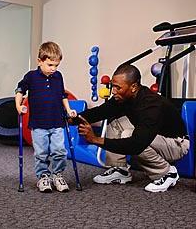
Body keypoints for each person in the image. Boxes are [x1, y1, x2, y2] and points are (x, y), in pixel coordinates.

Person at [75, 63, 190, 192]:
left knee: (129, 135)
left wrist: (94, 139)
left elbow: (136, 144)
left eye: (118, 87)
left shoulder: (151, 105)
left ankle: (166, 173)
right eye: (113, 86)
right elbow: (100, 112)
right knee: (115, 123)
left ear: (133, 87)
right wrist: (71, 118)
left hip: (176, 144)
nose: (113, 91)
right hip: (156, 136)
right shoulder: (123, 97)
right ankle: (120, 170)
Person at [15, 41, 77, 193]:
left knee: (60, 151)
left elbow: (63, 95)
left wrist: (69, 110)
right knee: (41, 153)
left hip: (57, 121)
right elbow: (20, 90)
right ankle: (43, 176)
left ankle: (57, 174)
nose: (53, 69)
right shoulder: (31, 76)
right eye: (50, 65)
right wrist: (18, 106)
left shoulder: (58, 76)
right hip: (38, 124)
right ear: (40, 61)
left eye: (56, 65)